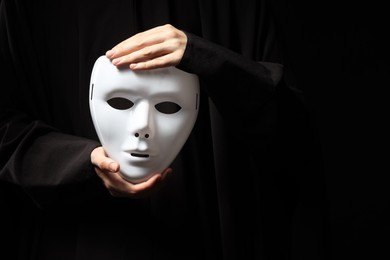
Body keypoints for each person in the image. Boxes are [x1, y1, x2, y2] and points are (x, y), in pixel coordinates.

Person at [0, 0, 330, 259]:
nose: (143, 127)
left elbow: (293, 139)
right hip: (80, 237)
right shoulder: (33, 9)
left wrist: (208, 59)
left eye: (168, 107)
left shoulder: (234, 6)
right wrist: (80, 162)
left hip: (205, 233)